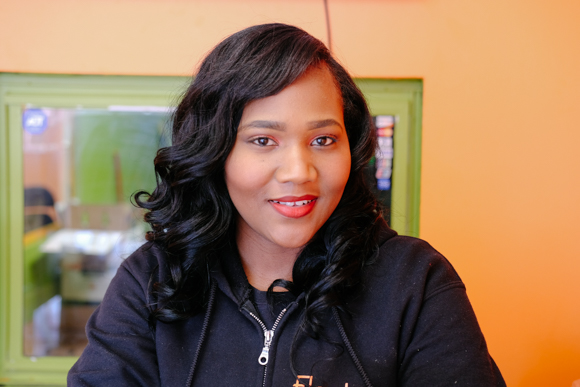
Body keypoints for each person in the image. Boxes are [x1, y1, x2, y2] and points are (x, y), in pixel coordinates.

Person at [68, 23, 506, 386]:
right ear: (216, 152)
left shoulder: (416, 283)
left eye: (323, 140)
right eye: (263, 140)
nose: (299, 170)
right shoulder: (152, 281)